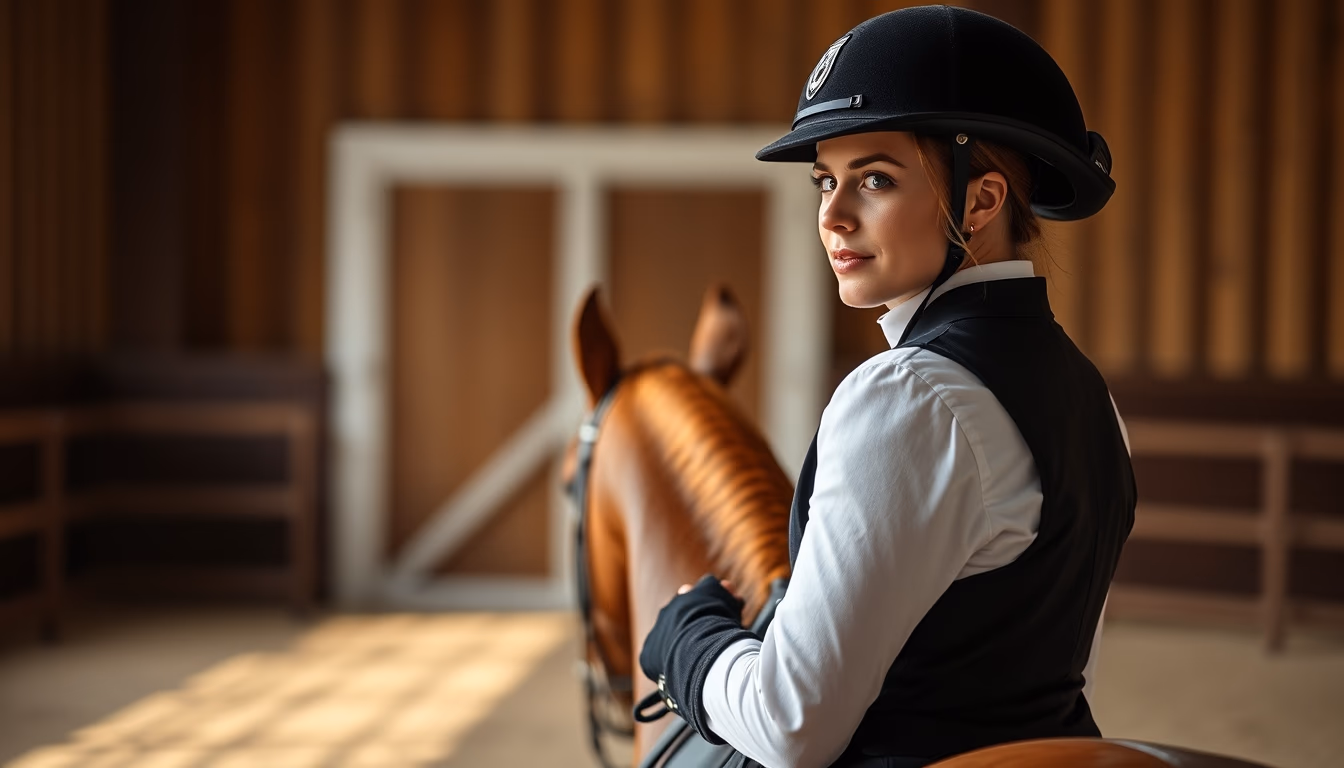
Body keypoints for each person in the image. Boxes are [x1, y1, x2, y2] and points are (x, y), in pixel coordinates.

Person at [635, 6, 1136, 768]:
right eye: (825, 181)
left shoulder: (907, 395)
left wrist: (688, 643)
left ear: (981, 201)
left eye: (874, 179)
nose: (833, 216)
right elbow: (1059, 669)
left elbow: (791, 726)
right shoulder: (1091, 394)